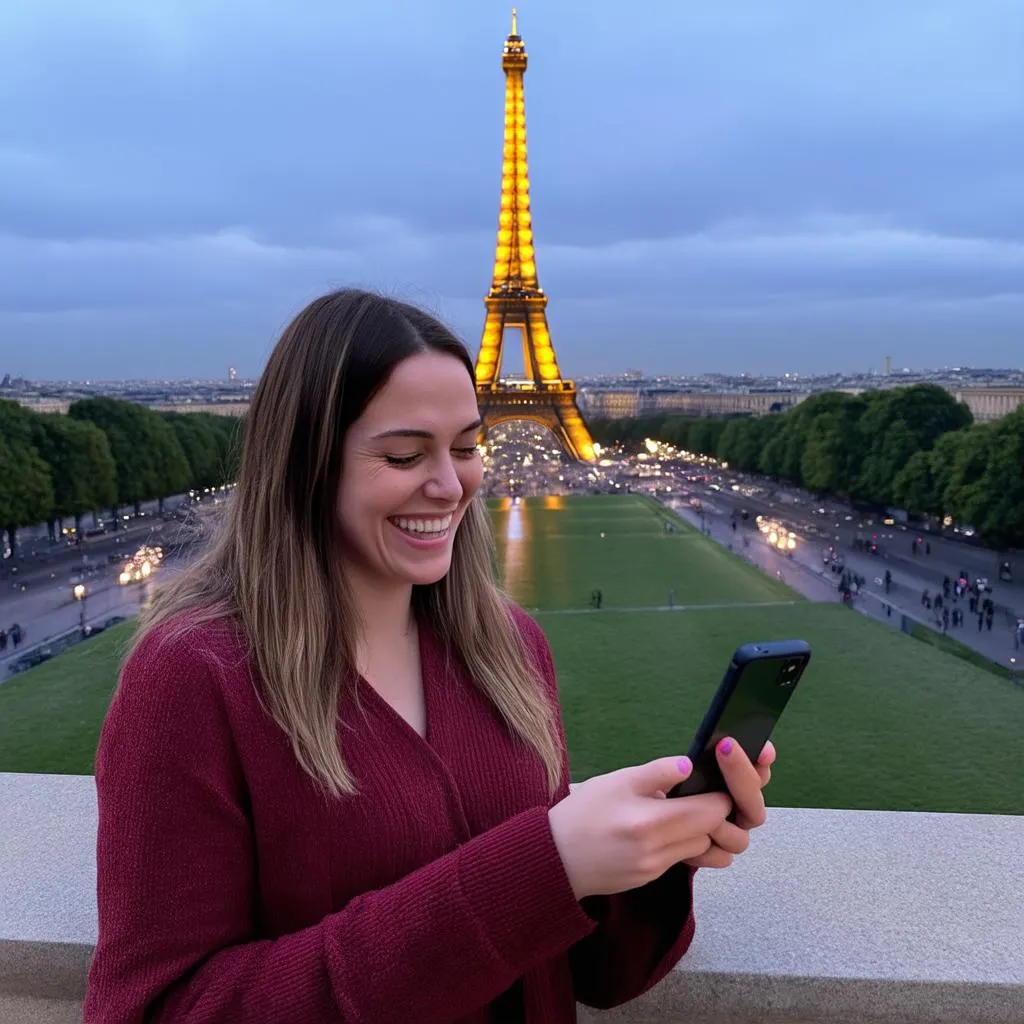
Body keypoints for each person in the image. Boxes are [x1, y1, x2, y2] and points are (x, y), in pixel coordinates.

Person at [84, 290, 776, 1023]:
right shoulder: (191, 679)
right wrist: (545, 864)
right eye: (406, 454)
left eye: (469, 447)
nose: (452, 486)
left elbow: (580, 973)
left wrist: (647, 857)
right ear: (304, 462)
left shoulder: (510, 648)